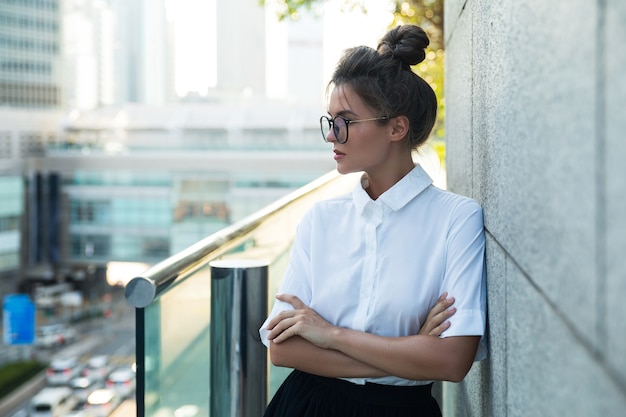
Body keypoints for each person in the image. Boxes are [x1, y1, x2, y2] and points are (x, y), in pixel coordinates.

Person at [259, 24, 486, 417]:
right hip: (306, 406)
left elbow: (451, 360)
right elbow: (283, 349)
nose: (332, 136)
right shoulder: (321, 220)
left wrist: (330, 336)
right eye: (329, 121)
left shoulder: (456, 219)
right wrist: (411, 349)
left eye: (345, 121)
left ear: (396, 127)